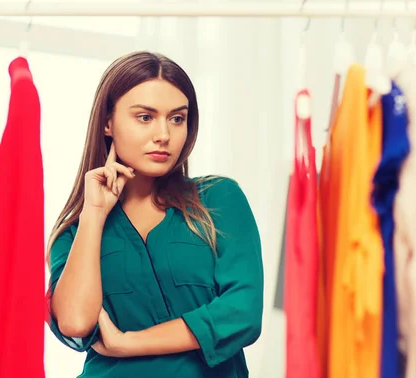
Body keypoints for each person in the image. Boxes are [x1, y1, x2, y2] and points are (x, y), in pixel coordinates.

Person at [46, 51, 264, 378]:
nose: (164, 134)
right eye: (145, 117)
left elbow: (243, 313)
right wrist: (94, 212)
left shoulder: (219, 199)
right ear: (107, 122)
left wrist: (128, 343)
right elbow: (76, 322)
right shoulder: (76, 233)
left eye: (176, 118)